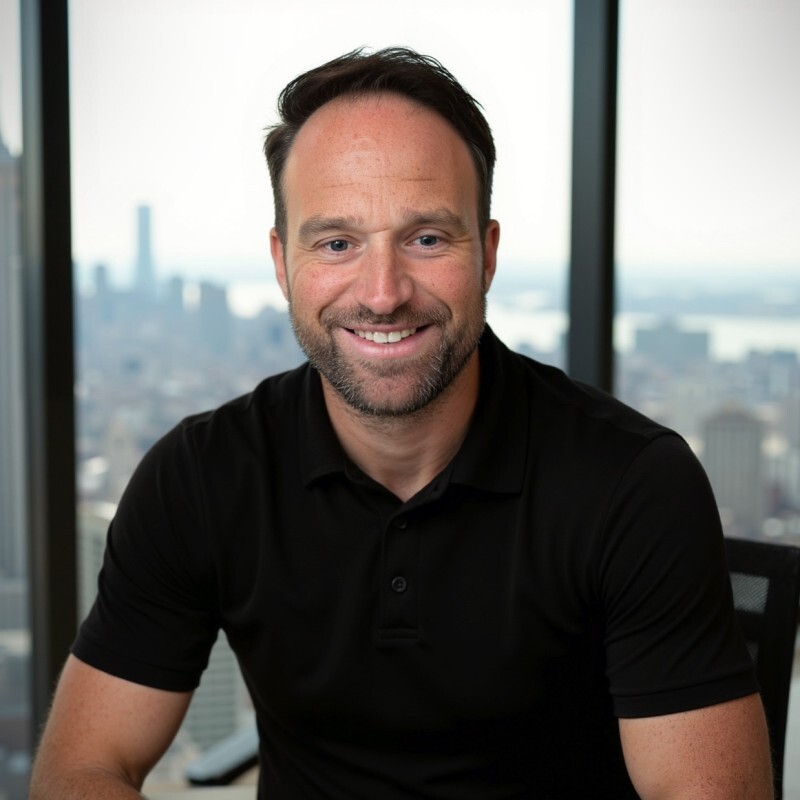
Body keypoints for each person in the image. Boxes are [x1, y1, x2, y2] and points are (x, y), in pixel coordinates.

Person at [30, 47, 773, 799]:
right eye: (337, 243)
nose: (383, 294)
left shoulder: (632, 484)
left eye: (426, 238)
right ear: (283, 263)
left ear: (485, 255)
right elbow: (81, 769)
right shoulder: (201, 475)